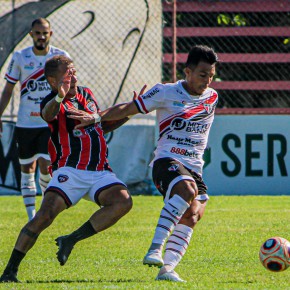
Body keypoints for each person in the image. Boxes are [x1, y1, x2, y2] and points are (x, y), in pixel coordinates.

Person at [68, 45, 219, 282]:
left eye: (211, 75)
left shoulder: (212, 97)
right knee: (187, 190)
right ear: (187, 72)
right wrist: (96, 117)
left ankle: (167, 269)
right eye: (203, 75)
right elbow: (128, 108)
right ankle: (155, 249)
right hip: (167, 161)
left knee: (193, 214)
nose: (208, 81)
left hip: (194, 167)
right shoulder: (165, 92)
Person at [0, 55, 133, 283]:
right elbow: (47, 114)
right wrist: (60, 97)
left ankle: (70, 240)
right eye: (67, 72)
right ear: (53, 81)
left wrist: (130, 111)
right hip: (69, 171)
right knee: (45, 215)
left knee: (123, 201)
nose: (73, 75)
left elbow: (102, 123)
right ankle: (10, 271)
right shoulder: (51, 101)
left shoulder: (86, 94)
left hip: (100, 170)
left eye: (74, 70)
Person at [0, 18, 70, 221]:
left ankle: (44, 211)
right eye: (37, 33)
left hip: (49, 122)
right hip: (25, 123)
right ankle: (32, 216)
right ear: (31, 34)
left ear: (51, 34)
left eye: (44, 33)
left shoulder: (61, 58)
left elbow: (71, 90)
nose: (41, 36)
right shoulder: (20, 57)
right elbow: (7, 90)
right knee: (26, 168)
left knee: (46, 166)